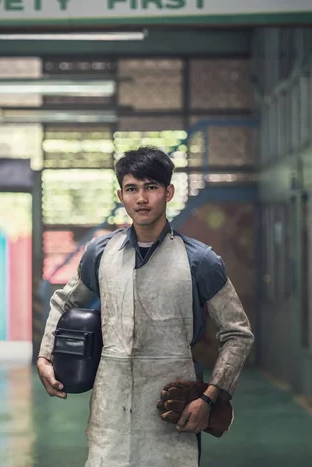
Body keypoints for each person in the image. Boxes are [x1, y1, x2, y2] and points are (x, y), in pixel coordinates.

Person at [37, 146, 254, 467]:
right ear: (120, 195)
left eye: (151, 187)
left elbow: (238, 333)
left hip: (171, 412)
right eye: (132, 189)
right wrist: (44, 355)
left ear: (168, 192)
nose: (141, 198)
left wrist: (210, 397)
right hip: (110, 411)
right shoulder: (100, 253)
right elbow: (65, 301)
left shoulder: (199, 260)